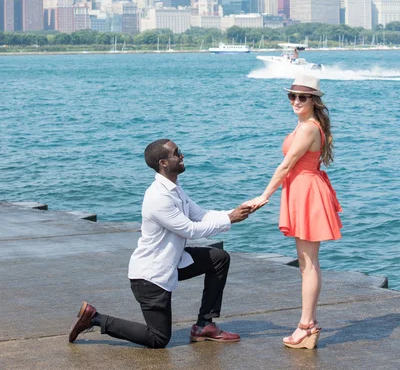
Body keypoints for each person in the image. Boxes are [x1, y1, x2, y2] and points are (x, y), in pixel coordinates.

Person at [69, 139, 252, 348]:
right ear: (163, 163)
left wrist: (234, 213)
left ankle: (204, 325)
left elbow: (200, 215)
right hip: (150, 277)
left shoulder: (174, 188)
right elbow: (190, 230)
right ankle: (94, 318)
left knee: (219, 259)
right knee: (158, 339)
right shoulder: (158, 197)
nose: (182, 156)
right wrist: (230, 220)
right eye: (177, 153)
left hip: (172, 263)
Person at [245, 75, 342, 350]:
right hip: (302, 191)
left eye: (303, 97)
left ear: (314, 101)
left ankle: (306, 326)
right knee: (306, 264)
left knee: (308, 264)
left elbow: (286, 166)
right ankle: (307, 324)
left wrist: (264, 195)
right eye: (292, 96)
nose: (296, 101)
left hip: (308, 193)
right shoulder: (306, 125)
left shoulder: (308, 128)